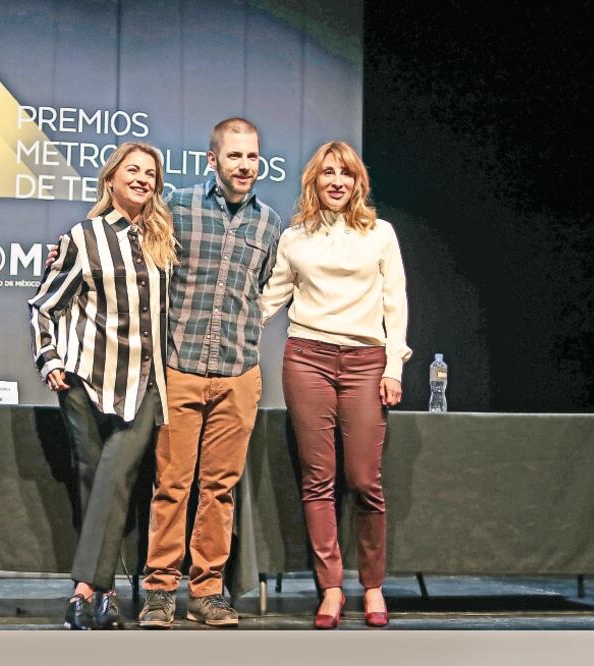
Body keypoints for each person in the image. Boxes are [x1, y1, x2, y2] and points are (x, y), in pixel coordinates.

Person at [138, 118, 283, 628]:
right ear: (212, 160)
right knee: (172, 484)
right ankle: (159, 592)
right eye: (235, 156)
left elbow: (264, 290)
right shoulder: (177, 205)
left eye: (252, 157)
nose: (245, 166)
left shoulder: (269, 223)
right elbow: (127, 242)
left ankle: (207, 591)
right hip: (178, 367)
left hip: (238, 373)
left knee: (219, 489)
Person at [260, 141, 410, 629]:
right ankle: (330, 588)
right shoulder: (295, 237)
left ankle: (372, 586)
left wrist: (393, 368)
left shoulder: (380, 234)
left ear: (357, 182)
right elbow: (270, 300)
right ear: (315, 181)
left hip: (366, 363)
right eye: (328, 173)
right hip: (308, 359)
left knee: (366, 481)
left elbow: (396, 304)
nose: (337, 182)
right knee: (317, 481)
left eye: (345, 174)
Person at [29, 142, 176, 630]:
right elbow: (44, 305)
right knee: (95, 481)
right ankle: (108, 593)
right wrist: (48, 357)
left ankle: (83, 589)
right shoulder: (83, 236)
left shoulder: (164, 237)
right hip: (84, 380)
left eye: (150, 173)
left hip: (145, 384)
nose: (142, 179)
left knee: (113, 476)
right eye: (132, 170)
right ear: (111, 180)